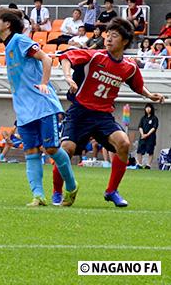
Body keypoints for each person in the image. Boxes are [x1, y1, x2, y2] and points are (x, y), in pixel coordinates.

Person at [56, 18, 164, 207]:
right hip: (79, 112)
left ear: (124, 41)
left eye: (114, 35)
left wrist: (150, 95)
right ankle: (57, 192)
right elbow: (66, 57)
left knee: (124, 143)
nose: (109, 38)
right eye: (108, 34)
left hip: (103, 116)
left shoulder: (129, 67)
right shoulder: (95, 55)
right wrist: (67, 76)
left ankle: (112, 191)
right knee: (66, 151)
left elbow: (138, 86)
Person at [0, 9, 78, 207]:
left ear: (7, 24)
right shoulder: (7, 46)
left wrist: (44, 83)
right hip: (24, 110)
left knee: (51, 148)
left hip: (42, 105)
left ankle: (72, 187)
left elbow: (47, 59)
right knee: (30, 152)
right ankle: (38, 196)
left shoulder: (20, 41)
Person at [135, 103, 158, 170]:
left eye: (149, 108)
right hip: (142, 137)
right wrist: (142, 134)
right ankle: (139, 164)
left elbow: (154, 127)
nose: (148, 109)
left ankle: (148, 165)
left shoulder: (154, 118)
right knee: (139, 150)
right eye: (146, 108)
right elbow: (140, 127)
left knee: (150, 151)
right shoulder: (143, 118)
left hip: (151, 137)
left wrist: (147, 134)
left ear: (152, 109)